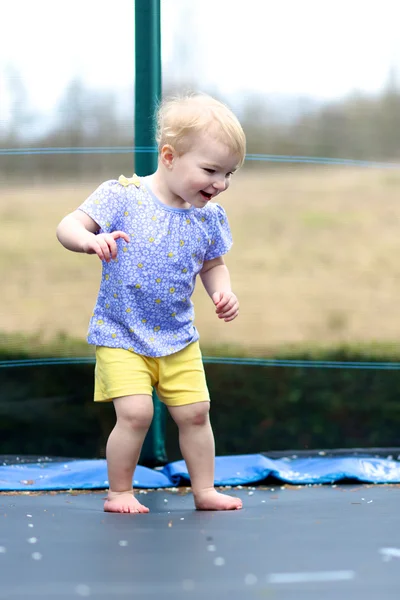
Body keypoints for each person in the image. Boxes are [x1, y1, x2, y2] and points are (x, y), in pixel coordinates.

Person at [56, 93, 246, 513]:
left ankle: (205, 490)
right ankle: (120, 492)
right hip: (121, 333)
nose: (221, 184)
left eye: (229, 173)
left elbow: (214, 264)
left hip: (178, 337)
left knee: (197, 413)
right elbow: (67, 226)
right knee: (137, 414)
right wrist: (90, 240)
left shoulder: (208, 217)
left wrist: (221, 290)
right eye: (211, 170)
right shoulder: (121, 197)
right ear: (169, 156)